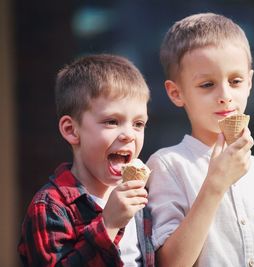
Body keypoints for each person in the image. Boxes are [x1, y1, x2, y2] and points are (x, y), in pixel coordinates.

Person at [146, 13, 254, 267]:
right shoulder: (167, 165)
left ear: (249, 83)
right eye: (207, 84)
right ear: (176, 93)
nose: (225, 95)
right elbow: (170, 263)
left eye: (235, 81)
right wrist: (215, 183)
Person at [18, 54, 154, 266]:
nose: (129, 134)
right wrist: (108, 224)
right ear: (71, 130)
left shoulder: (140, 198)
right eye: (111, 121)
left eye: (138, 124)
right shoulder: (50, 207)